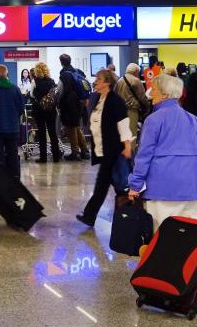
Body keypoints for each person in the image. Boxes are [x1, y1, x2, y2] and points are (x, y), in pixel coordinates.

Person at [128, 74, 197, 229]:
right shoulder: (193, 119)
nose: (150, 93)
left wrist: (135, 185)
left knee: (161, 238)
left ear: (165, 95)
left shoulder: (153, 120)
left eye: (154, 90)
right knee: (187, 239)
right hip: (190, 189)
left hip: (161, 188)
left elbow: (144, 156)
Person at [76, 70, 133, 226]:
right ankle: (95, 215)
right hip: (103, 149)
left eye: (99, 79)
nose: (96, 81)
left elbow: (123, 125)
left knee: (109, 183)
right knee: (112, 184)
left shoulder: (116, 101)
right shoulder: (98, 99)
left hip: (114, 149)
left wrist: (127, 146)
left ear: (107, 82)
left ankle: (92, 215)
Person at [0, 65, 25, 178]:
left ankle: (1, 181)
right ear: (7, 74)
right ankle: (15, 181)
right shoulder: (15, 89)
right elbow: (21, 109)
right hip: (12, 128)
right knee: (13, 155)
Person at [58, 55, 90, 161]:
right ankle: (85, 151)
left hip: (69, 104)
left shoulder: (64, 74)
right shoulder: (78, 71)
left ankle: (75, 153)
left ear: (61, 62)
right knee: (76, 126)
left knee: (70, 127)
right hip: (79, 103)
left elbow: (60, 91)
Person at [30, 62, 62, 163]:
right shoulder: (52, 81)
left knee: (42, 133)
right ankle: (56, 156)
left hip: (39, 110)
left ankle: (43, 157)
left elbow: (31, 94)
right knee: (52, 132)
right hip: (51, 110)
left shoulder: (34, 81)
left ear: (37, 71)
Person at [114, 63, 150, 139]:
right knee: (131, 134)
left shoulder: (119, 80)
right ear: (135, 72)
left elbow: (115, 95)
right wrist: (147, 107)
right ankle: (131, 150)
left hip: (120, 111)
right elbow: (142, 97)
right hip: (131, 110)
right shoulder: (136, 81)